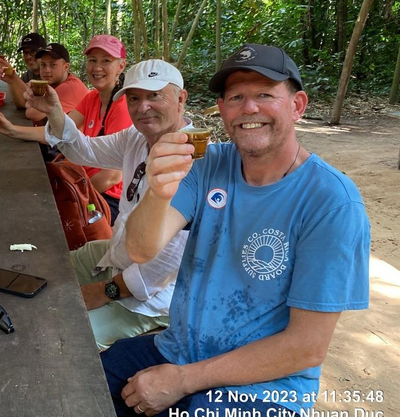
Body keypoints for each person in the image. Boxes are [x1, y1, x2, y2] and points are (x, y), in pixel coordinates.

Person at [103, 44, 370, 416]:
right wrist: (158, 192)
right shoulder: (207, 164)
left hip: (267, 389)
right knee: (81, 377)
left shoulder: (331, 202)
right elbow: (140, 250)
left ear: (297, 105)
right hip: (178, 348)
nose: (248, 108)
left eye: (264, 94)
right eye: (236, 97)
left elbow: (306, 347)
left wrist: (182, 380)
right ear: (223, 110)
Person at [28, 59, 190, 350]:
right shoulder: (136, 139)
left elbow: (162, 268)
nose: (142, 107)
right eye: (134, 98)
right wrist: (54, 111)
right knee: (45, 272)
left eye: (154, 95)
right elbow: (83, 149)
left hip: (151, 297)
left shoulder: (194, 161)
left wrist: (104, 291)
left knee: (67, 335)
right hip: (116, 255)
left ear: (180, 99)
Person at [0, 35, 132, 223]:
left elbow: (111, 177)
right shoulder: (92, 98)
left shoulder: (123, 107)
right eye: (92, 60)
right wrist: (11, 131)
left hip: (107, 199)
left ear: (121, 66)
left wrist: (71, 198)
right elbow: (58, 133)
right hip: (80, 181)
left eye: (106, 61)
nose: (97, 68)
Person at [27, 42, 89, 124]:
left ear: (66, 67)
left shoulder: (70, 87)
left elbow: (31, 113)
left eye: (53, 65)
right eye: (43, 65)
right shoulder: (53, 83)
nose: (46, 70)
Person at [0, 32, 48, 108]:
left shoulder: (49, 75)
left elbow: (37, 102)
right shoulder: (27, 75)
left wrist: (14, 76)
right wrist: (10, 79)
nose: (28, 57)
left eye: (33, 51)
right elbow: (20, 103)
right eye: (25, 53)